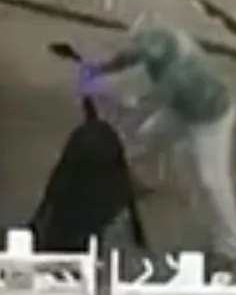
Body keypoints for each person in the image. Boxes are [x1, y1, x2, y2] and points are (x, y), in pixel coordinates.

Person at [84, 17, 236, 270]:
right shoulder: (161, 39)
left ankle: (231, 247)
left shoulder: (180, 72)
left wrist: (105, 90)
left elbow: (144, 103)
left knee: (212, 180)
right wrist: (103, 68)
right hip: (182, 109)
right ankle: (133, 179)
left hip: (210, 118)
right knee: (142, 140)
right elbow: (131, 55)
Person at [30, 73, 149, 259]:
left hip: (69, 224)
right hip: (94, 211)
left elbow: (55, 185)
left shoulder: (69, 176)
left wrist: (37, 219)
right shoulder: (106, 143)